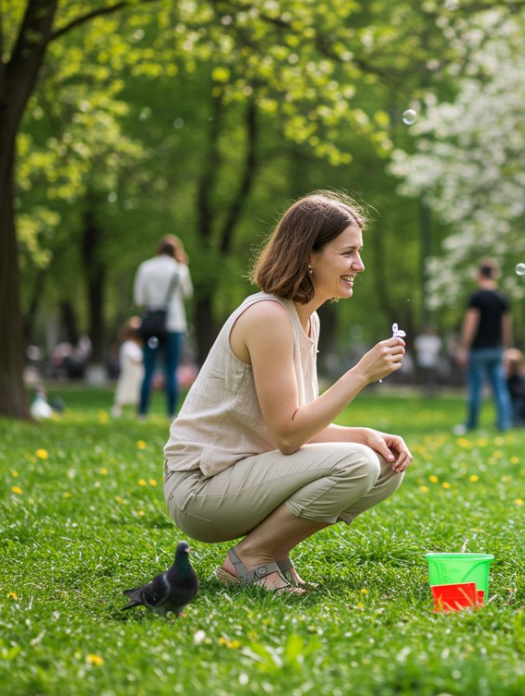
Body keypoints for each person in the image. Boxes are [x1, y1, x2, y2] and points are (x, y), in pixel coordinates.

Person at [162, 191, 411, 593]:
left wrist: (365, 435)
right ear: (309, 256)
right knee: (357, 464)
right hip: (200, 489)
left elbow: (295, 426)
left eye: (359, 253)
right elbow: (288, 434)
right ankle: (250, 560)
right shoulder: (268, 316)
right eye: (347, 253)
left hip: (246, 473)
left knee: (383, 465)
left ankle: (270, 552)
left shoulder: (307, 319)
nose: (359, 265)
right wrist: (360, 374)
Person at [134, 234, 193, 419]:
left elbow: (139, 299)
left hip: (152, 326)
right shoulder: (179, 269)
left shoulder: (145, 267)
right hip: (174, 324)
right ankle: (170, 414)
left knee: (148, 370)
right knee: (172, 369)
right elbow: (187, 293)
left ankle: (142, 413)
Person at [455, 260, 512, 432]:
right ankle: (504, 424)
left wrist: (463, 348)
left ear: (480, 274)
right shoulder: (502, 298)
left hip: (478, 350)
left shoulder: (477, 298)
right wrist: (507, 350)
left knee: (475, 389)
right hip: (496, 350)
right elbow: (507, 327)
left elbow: (471, 324)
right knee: (500, 389)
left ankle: (471, 424)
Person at [111, 318, 144, 418]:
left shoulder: (133, 345)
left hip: (135, 375)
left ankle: (140, 413)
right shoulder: (129, 345)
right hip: (130, 375)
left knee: (137, 394)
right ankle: (117, 411)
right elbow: (137, 359)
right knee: (124, 393)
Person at [414, 323, 444, 397]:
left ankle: (432, 391)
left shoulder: (436, 340)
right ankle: (424, 391)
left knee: (432, 377)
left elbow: (437, 351)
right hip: (423, 361)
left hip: (433, 361)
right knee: (424, 377)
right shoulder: (420, 339)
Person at [505, 347, 525, 427]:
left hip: (519, 397)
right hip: (513, 397)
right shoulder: (505, 379)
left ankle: (520, 421)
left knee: (519, 405)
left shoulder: (521, 379)